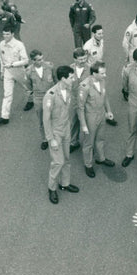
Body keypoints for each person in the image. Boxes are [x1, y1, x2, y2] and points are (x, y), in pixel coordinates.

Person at [44, 66, 79, 204]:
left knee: (66, 158)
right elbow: (46, 119)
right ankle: (51, 188)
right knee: (58, 162)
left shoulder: (68, 89)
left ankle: (65, 183)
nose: (73, 79)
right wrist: (50, 138)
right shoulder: (51, 95)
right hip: (55, 133)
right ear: (63, 78)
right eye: (71, 77)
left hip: (66, 129)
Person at [78, 61, 116, 178]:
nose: (105, 75)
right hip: (90, 117)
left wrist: (108, 111)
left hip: (101, 114)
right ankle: (88, 165)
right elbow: (80, 107)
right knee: (88, 143)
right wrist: (83, 125)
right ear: (94, 74)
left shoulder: (102, 81)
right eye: (102, 73)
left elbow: (105, 97)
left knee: (100, 138)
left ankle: (101, 158)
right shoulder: (84, 86)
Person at [0, 26, 29, 125]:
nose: (5, 36)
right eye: (4, 34)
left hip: (18, 70)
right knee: (7, 94)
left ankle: (30, 100)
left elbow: (26, 60)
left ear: (12, 34)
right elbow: (1, 58)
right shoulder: (1, 44)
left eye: (7, 34)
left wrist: (13, 64)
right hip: (7, 72)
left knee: (27, 88)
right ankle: (4, 116)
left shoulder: (19, 45)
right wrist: (2, 71)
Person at [25, 50, 58, 150]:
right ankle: (45, 139)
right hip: (38, 98)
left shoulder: (50, 66)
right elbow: (28, 85)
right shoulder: (29, 71)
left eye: (42, 58)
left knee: (55, 116)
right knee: (42, 119)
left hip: (51, 95)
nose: (42, 61)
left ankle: (56, 136)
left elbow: (55, 79)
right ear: (33, 61)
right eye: (39, 60)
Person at [68, 48, 89, 152]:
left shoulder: (90, 69)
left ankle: (89, 144)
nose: (83, 61)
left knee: (88, 123)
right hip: (74, 101)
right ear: (75, 59)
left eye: (84, 58)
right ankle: (73, 142)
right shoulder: (70, 69)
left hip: (87, 101)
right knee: (73, 122)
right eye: (80, 59)